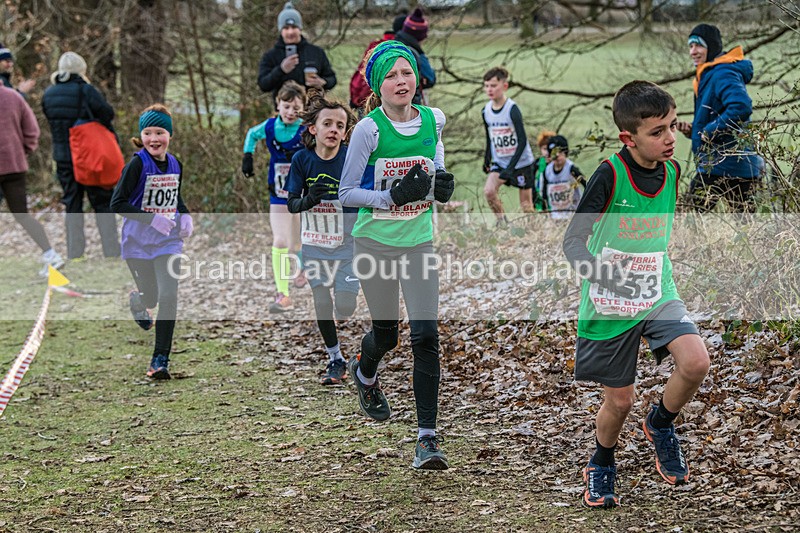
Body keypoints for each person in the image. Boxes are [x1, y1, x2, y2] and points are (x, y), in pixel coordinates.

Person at [562, 80, 710, 508]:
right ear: (628, 137)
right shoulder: (609, 174)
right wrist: (605, 276)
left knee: (696, 361)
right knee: (620, 401)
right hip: (610, 298)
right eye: (657, 132)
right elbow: (573, 242)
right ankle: (602, 462)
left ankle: (661, 423)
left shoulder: (673, 172)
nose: (669, 139)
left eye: (671, 126)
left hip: (657, 288)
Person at [338, 41, 455, 470]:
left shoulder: (433, 120)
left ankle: (427, 438)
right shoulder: (369, 130)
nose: (401, 81)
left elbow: (435, 166)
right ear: (378, 86)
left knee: (426, 336)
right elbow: (345, 194)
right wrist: (390, 196)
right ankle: (365, 371)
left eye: (406, 73)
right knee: (387, 335)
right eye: (391, 76)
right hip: (375, 242)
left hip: (419, 240)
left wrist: (441, 185)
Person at [111, 105, 193, 380]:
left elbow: (175, 197)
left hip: (168, 242)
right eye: (148, 133)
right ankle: (139, 299)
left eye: (160, 132)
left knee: (169, 296)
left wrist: (185, 215)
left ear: (169, 134)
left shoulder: (176, 164)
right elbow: (117, 204)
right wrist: (151, 219)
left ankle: (160, 359)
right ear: (141, 135)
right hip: (137, 242)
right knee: (153, 296)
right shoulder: (136, 164)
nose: (154, 139)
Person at [285, 90, 359, 385]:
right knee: (321, 301)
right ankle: (335, 358)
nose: (334, 130)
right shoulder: (302, 160)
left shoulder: (350, 159)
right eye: (327, 124)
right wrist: (308, 200)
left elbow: (362, 197)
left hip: (347, 246)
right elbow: (292, 203)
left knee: (345, 307)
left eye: (340, 126)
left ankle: (347, 351)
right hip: (315, 243)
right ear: (313, 129)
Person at [42, 51, 121, 260]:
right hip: (88, 156)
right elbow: (107, 114)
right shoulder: (86, 90)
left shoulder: (49, 94)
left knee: (72, 204)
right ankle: (111, 251)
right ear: (81, 69)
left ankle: (75, 253)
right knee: (102, 202)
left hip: (63, 157)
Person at [676, 24, 761, 212]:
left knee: (690, 218)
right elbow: (717, 114)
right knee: (746, 228)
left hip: (724, 164)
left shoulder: (723, 72)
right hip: (730, 165)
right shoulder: (709, 74)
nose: (693, 51)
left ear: (712, 47)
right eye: (690, 46)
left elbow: (741, 106)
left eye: (698, 45)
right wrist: (694, 131)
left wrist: (709, 131)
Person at [241, 80, 307, 313]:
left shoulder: (307, 129)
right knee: (280, 241)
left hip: (303, 195)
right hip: (278, 195)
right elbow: (251, 134)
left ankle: (301, 269)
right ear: (278, 105)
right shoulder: (269, 127)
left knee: (297, 242)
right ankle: (283, 295)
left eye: (296, 107)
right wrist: (247, 156)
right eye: (286, 106)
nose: (291, 112)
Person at [0, 84, 65, 276]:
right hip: (14, 165)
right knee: (22, 215)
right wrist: (22, 151)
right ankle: (51, 254)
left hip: (13, 164)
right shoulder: (13, 96)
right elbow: (32, 130)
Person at [481, 66, 537, 224]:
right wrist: (487, 159)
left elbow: (523, 141)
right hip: (500, 161)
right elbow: (489, 137)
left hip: (521, 163)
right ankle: (502, 222)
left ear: (504, 86)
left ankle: (533, 231)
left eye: (493, 86)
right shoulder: (486, 111)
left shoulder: (512, 110)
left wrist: (511, 168)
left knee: (526, 205)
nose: (489, 90)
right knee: (489, 191)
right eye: (486, 86)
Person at [257, 2, 337, 101]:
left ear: (300, 28)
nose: (290, 32)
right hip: (285, 112)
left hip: (313, 111)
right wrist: (281, 69)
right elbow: (263, 85)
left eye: (294, 27)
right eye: (286, 28)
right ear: (280, 30)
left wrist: (323, 82)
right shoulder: (270, 56)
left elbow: (332, 79)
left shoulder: (316, 52)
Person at [349, 10, 407, 113]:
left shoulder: (376, 46)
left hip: (365, 100)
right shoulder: (399, 50)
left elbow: (360, 75)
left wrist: (356, 97)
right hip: (379, 103)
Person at [393, 7, 436, 105]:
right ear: (419, 36)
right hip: (410, 105)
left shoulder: (394, 46)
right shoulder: (414, 53)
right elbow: (430, 78)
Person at [537, 135, 585, 219]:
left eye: (560, 152)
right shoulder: (547, 171)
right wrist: (545, 213)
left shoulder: (571, 169)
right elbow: (544, 194)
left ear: (565, 153)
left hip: (573, 214)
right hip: (555, 215)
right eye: (554, 153)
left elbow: (586, 184)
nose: (557, 156)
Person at [533, 129, 556, 211]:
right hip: (539, 198)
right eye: (544, 149)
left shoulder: (559, 163)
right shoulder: (537, 163)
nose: (547, 152)